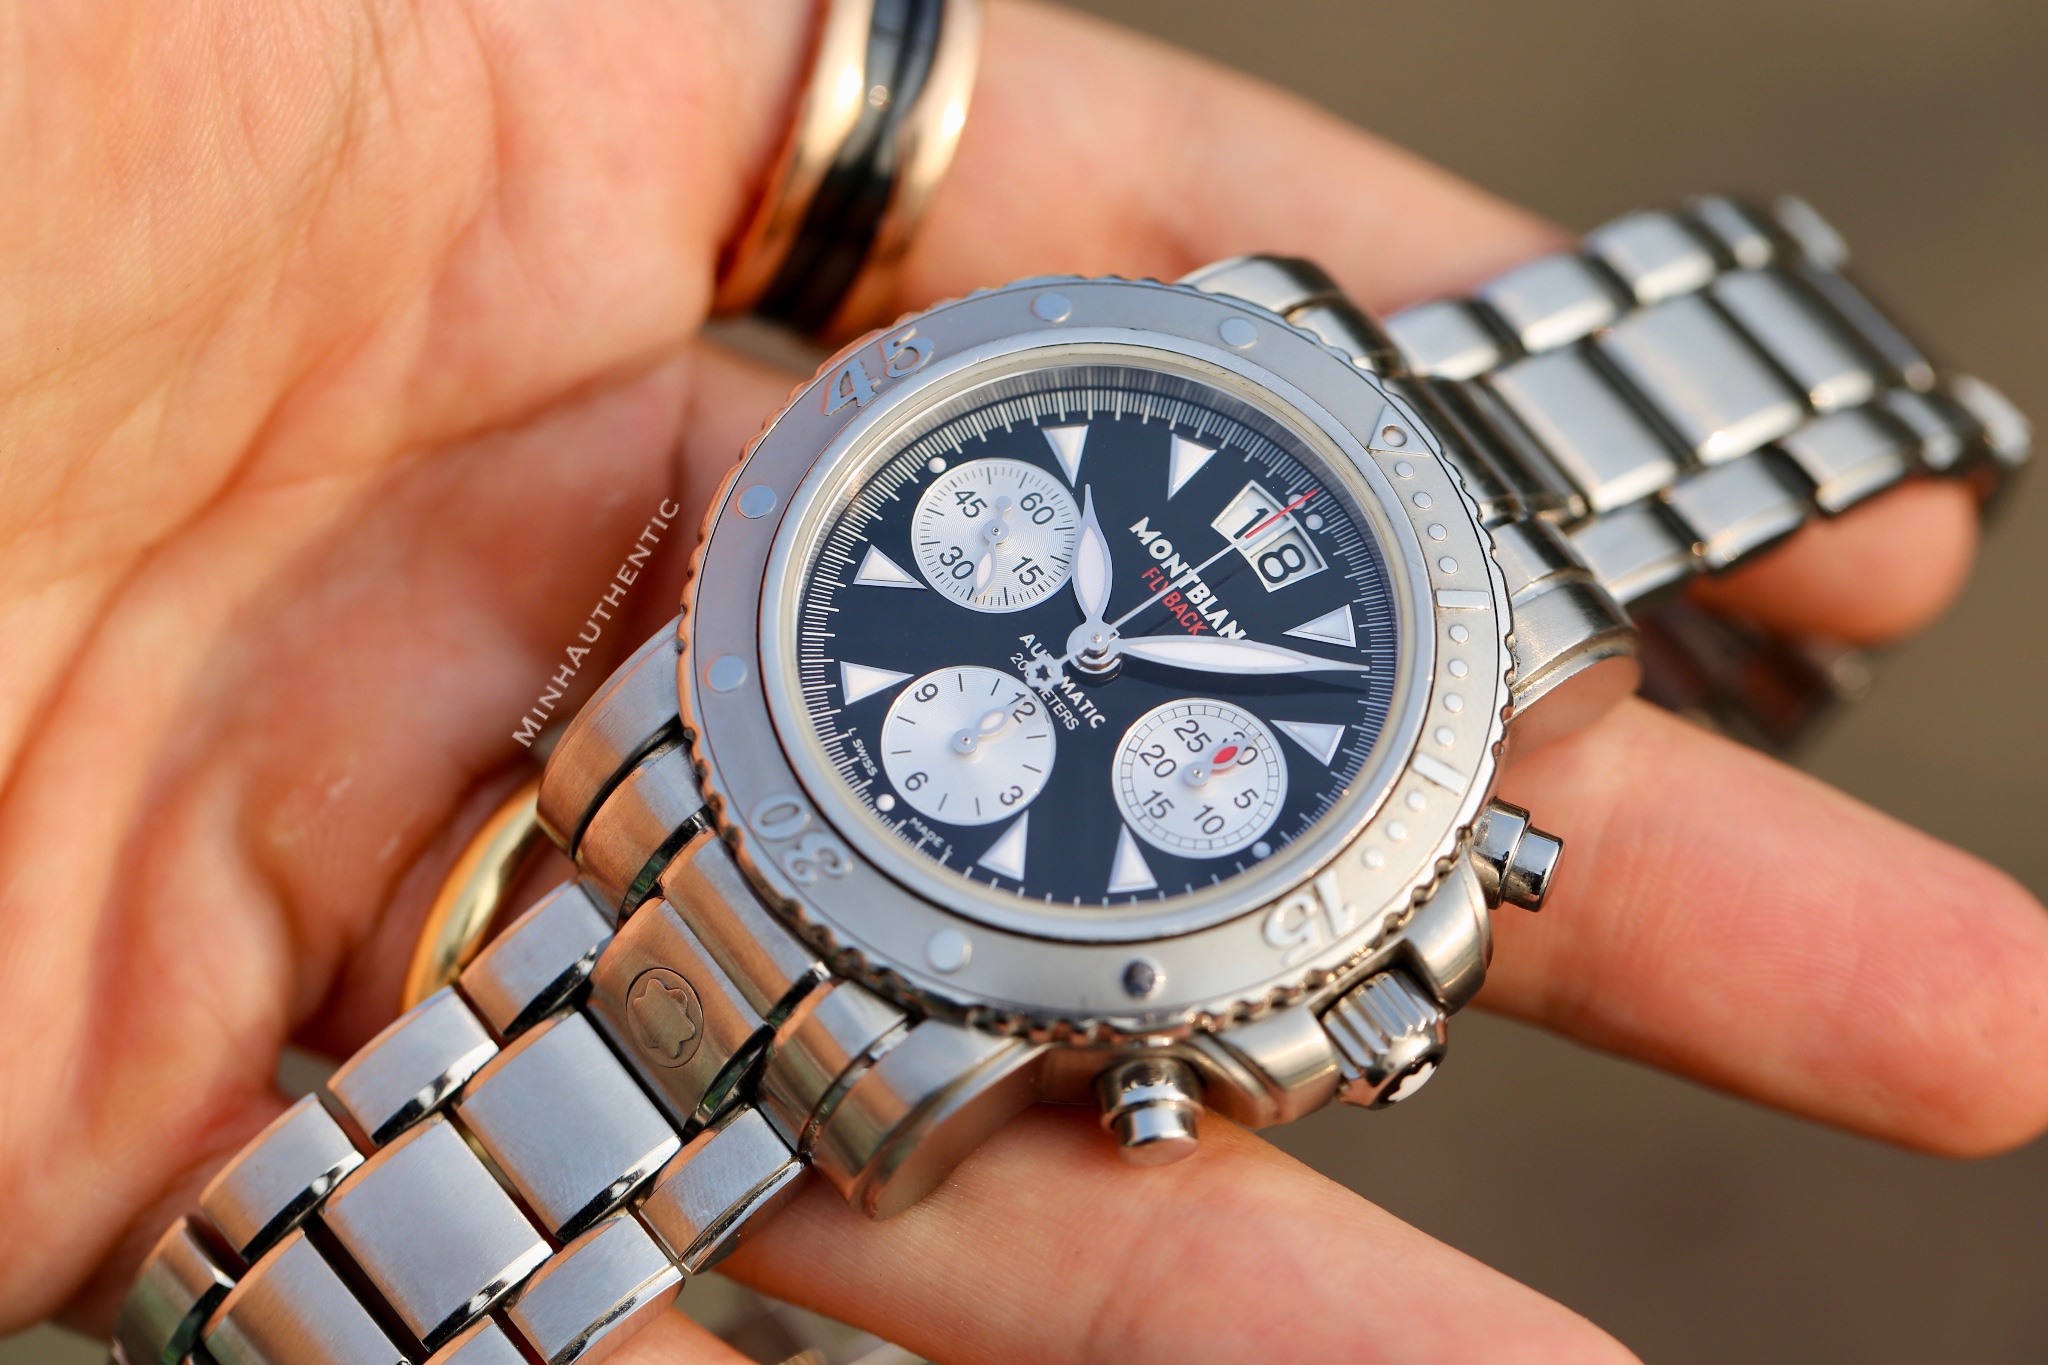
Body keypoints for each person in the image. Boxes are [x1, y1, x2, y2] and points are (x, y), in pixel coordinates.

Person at [1, 2, 2043, 1361]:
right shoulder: (643, 773)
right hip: (781, 808)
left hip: (892, 915)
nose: (1092, 648)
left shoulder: (865, 1041)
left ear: (1353, 973)